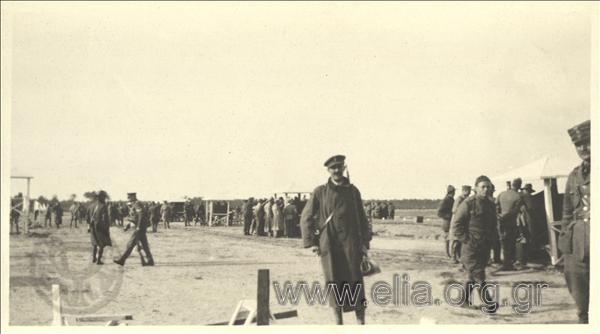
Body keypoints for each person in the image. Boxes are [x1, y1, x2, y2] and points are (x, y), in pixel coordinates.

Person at [300, 155, 371, 325]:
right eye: (333, 168)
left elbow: (362, 217)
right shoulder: (320, 192)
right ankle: (338, 324)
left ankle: (361, 323)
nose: (337, 170)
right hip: (329, 244)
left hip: (351, 244)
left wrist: (365, 242)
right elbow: (306, 216)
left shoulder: (353, 191)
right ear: (328, 171)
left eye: (339, 167)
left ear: (344, 167)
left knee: (355, 281)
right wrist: (312, 243)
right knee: (334, 282)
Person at [558, 120, 590, 324]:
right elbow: (567, 212)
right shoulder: (574, 175)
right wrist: (564, 244)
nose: (583, 148)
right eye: (579, 145)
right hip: (577, 245)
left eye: (588, 142)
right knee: (579, 292)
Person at [452, 175, 499, 314]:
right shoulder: (468, 203)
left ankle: (463, 300)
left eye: (488, 187)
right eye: (483, 187)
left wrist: (493, 241)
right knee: (479, 275)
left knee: (472, 275)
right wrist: (467, 240)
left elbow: (493, 225)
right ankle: (489, 304)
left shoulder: (490, 204)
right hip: (470, 247)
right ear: (476, 188)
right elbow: (457, 225)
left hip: (485, 246)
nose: (486, 189)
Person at [114, 193, 154, 266]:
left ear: (133, 197)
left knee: (131, 244)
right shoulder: (134, 204)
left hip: (139, 228)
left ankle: (122, 260)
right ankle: (150, 260)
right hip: (140, 227)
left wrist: (138, 226)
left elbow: (141, 216)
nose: (128, 198)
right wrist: (128, 226)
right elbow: (135, 218)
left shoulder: (137, 204)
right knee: (144, 245)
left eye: (129, 197)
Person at [496, 178, 524, 271]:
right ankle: (508, 264)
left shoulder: (501, 194)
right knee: (511, 242)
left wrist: (499, 216)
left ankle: (506, 263)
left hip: (500, 221)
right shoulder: (518, 196)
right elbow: (515, 210)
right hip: (511, 222)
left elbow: (496, 206)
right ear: (519, 185)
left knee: (504, 242)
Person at [449, 185, 471, 264]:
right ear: (464, 191)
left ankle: (459, 257)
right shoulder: (459, 199)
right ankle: (453, 257)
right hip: (457, 222)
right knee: (456, 241)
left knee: (460, 241)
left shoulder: (466, 199)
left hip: (463, 223)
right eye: (468, 191)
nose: (469, 192)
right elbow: (454, 210)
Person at [90, 191, 112, 265]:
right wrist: (106, 227)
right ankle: (99, 260)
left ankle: (93, 258)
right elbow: (104, 218)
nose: (105, 198)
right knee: (101, 244)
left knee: (95, 243)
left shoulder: (91, 206)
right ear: (101, 197)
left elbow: (87, 217)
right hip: (100, 227)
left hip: (92, 226)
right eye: (104, 197)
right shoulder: (103, 206)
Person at [437, 185, 455, 259]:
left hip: (450, 222)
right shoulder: (446, 200)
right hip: (447, 222)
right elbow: (439, 213)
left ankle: (449, 253)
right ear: (452, 192)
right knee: (447, 239)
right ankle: (447, 253)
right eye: (454, 192)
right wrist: (449, 216)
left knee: (449, 238)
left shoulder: (451, 199)